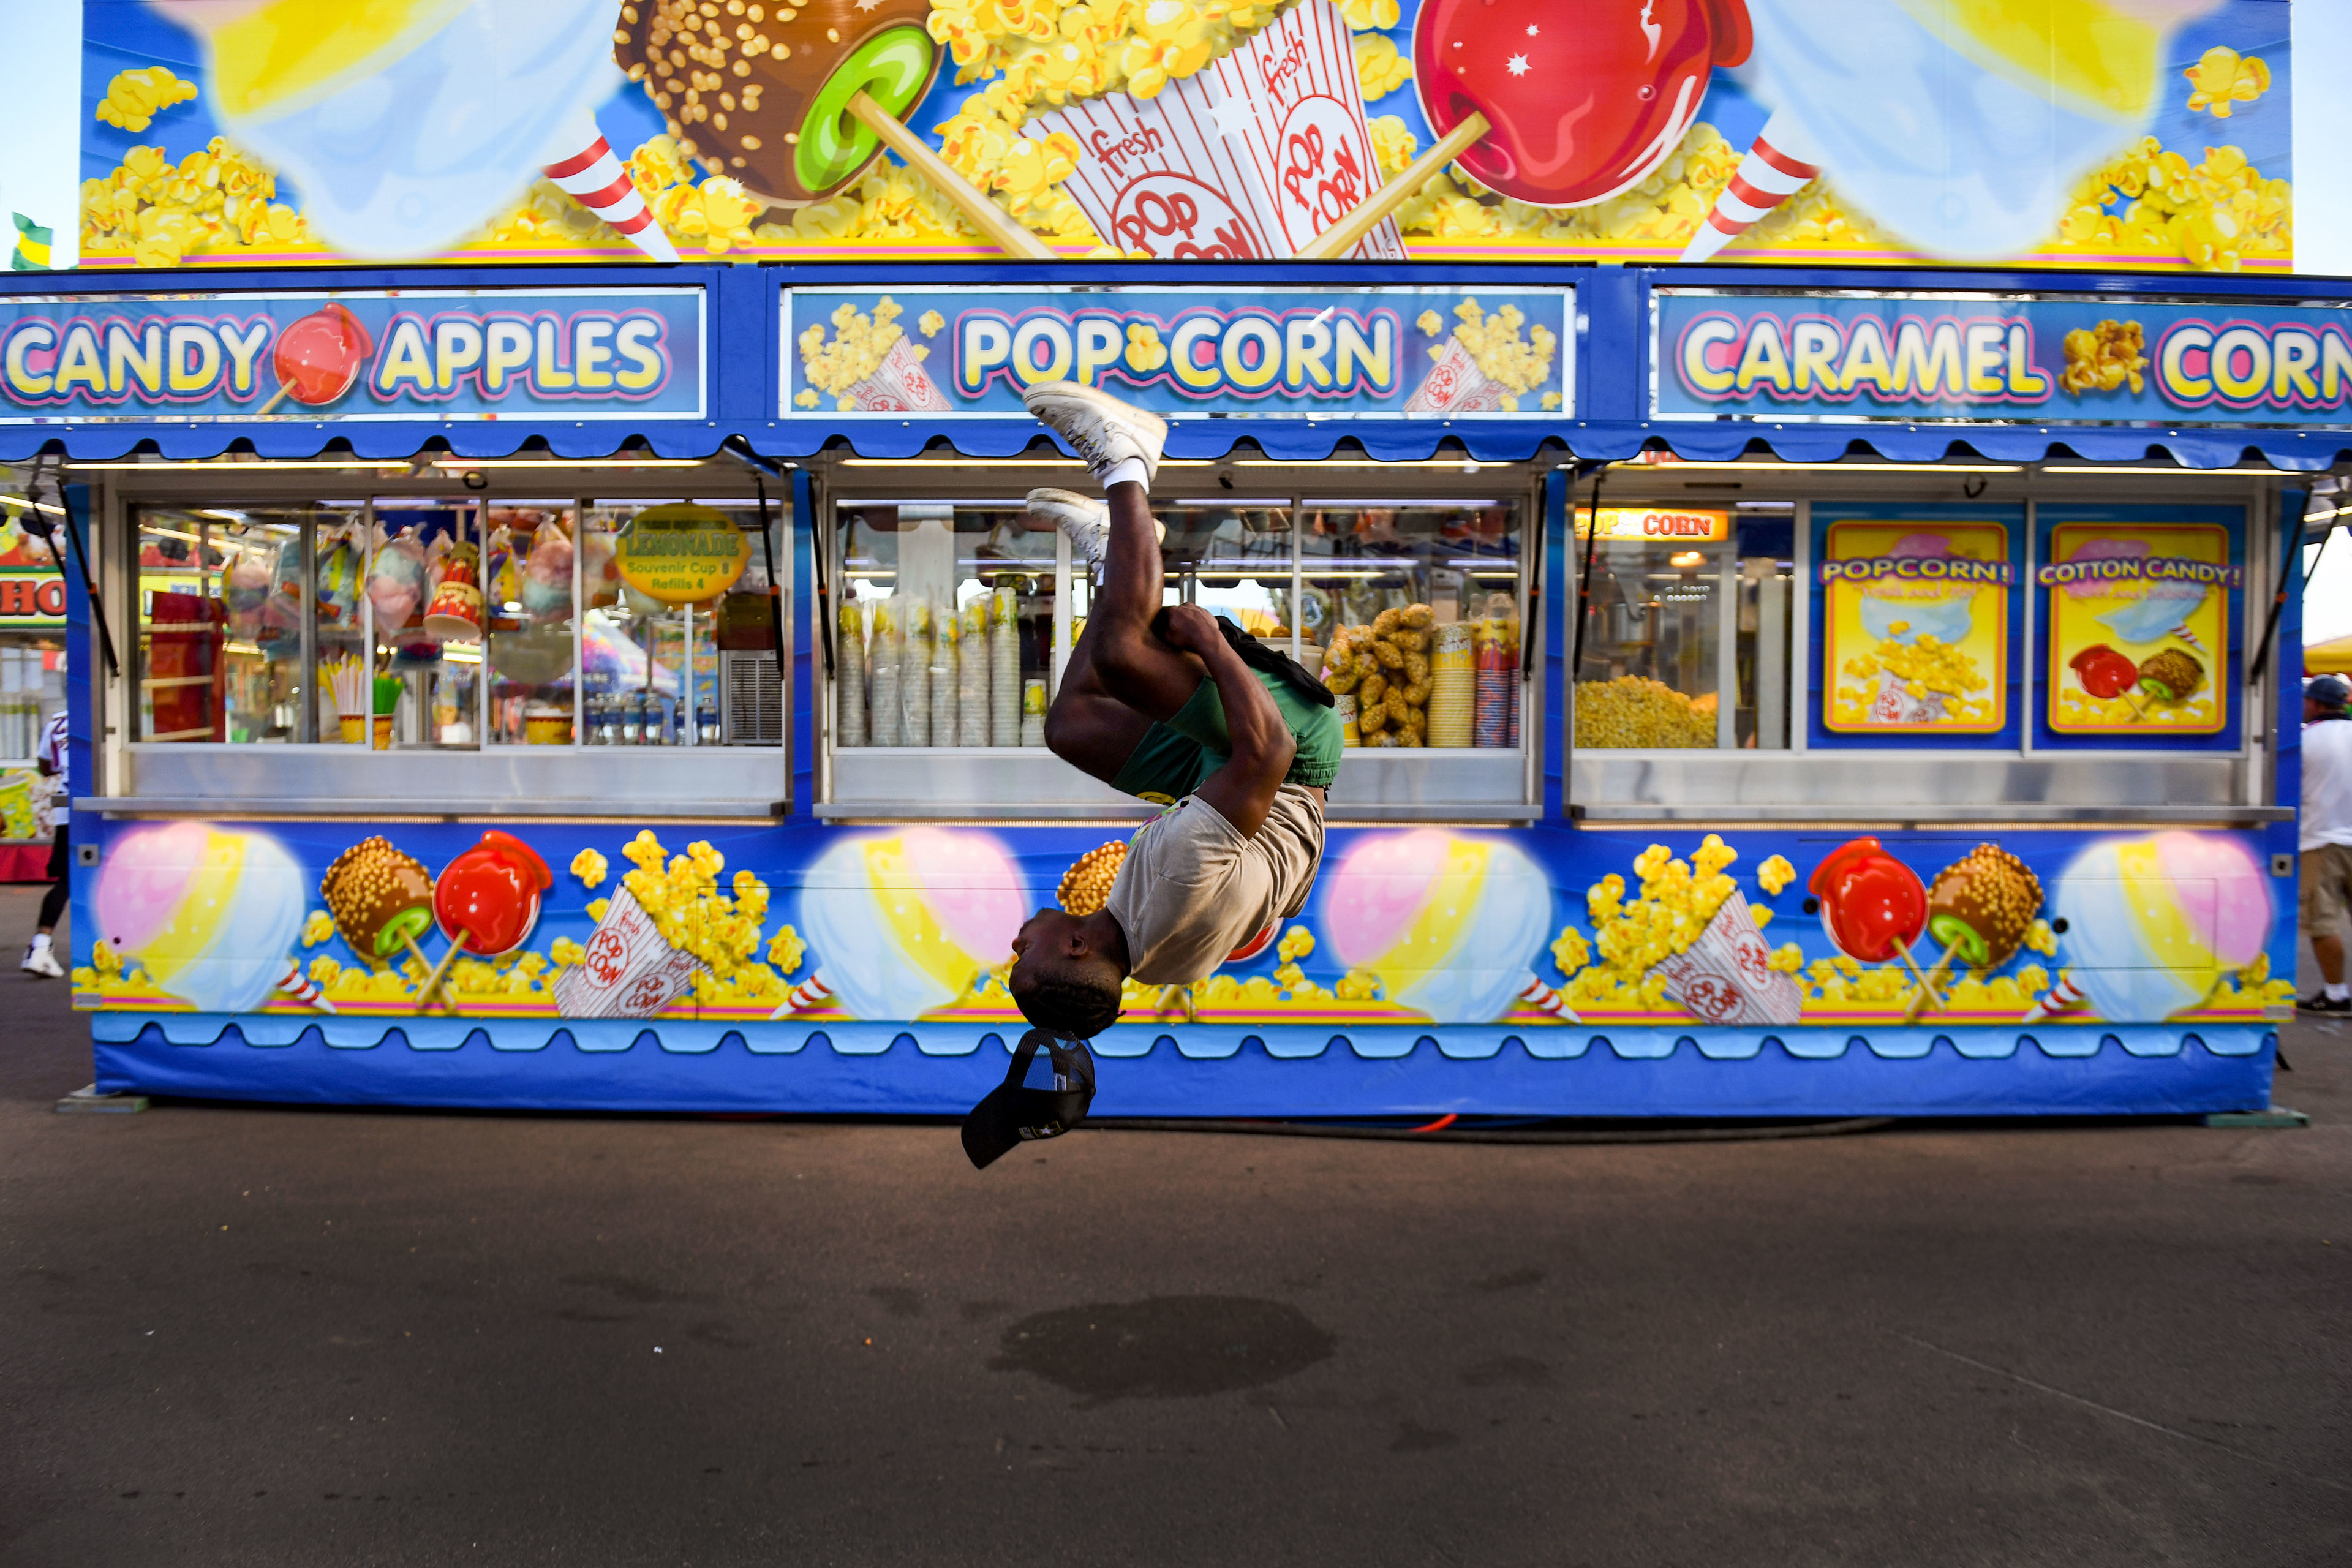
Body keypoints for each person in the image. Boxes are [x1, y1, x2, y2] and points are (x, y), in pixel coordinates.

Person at [1004, 381, 1343, 1041]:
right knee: (1125, 653)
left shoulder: (1146, 959)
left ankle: (1117, 551)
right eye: (1023, 958)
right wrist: (1215, 645)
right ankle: (1128, 459)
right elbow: (1268, 753)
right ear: (1074, 949)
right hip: (1290, 756)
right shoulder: (1179, 873)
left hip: (1225, 788)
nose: (1015, 943)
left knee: (1068, 724)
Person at [2299, 674, 2352, 1011]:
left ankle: (2336, 995)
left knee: (2323, 922)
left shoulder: (2306, 741)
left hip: (2320, 840)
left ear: (2315, 703)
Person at [23, 706, 67, 978]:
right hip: (109, 806)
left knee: (67, 881)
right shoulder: (117, 714)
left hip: (68, 811)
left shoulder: (58, 721)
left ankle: (40, 948)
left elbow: (45, 766)